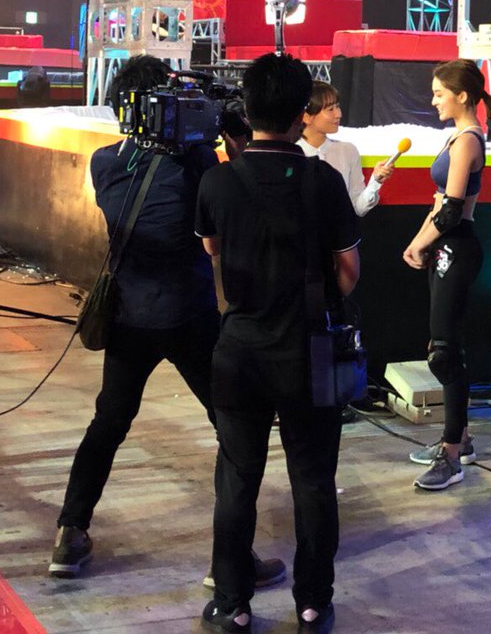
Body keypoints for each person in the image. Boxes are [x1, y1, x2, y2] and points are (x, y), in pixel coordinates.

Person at [48, 55, 285, 596]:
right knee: (232, 428)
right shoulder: (196, 162)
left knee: (109, 422)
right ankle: (231, 559)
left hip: (129, 317)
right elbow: (237, 204)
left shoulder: (105, 162)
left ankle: (70, 533)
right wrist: (230, 139)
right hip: (189, 316)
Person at [195, 53, 360, 634]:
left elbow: (212, 251)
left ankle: (233, 604)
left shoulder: (218, 180)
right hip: (308, 350)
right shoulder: (324, 181)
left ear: (246, 109)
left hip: (239, 348)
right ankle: (312, 603)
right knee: (313, 479)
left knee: (237, 477)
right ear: (299, 115)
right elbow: (349, 272)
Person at [403, 59, 491, 491]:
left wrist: (422, 243)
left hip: (457, 247)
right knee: (443, 346)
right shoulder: (456, 138)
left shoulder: (468, 142)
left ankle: (452, 454)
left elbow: (452, 210)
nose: (433, 100)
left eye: (439, 93)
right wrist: (417, 242)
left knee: (444, 353)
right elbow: (439, 202)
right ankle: (459, 439)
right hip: (445, 246)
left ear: (462, 96)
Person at [298, 81, 394, 215]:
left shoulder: (348, 151)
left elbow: (358, 208)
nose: (338, 114)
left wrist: (375, 181)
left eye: (338, 107)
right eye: (330, 109)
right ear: (307, 117)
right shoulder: (293, 152)